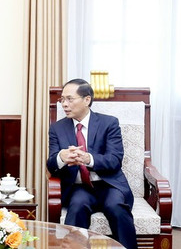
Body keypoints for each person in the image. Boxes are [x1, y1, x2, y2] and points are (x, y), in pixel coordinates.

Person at [46, 78, 137, 249]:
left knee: (116, 207)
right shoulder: (57, 128)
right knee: (77, 207)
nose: (64, 104)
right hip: (79, 188)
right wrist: (61, 157)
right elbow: (51, 164)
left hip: (108, 185)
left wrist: (89, 159)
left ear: (87, 100)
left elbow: (115, 160)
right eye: (62, 99)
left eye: (69, 99)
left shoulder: (109, 123)